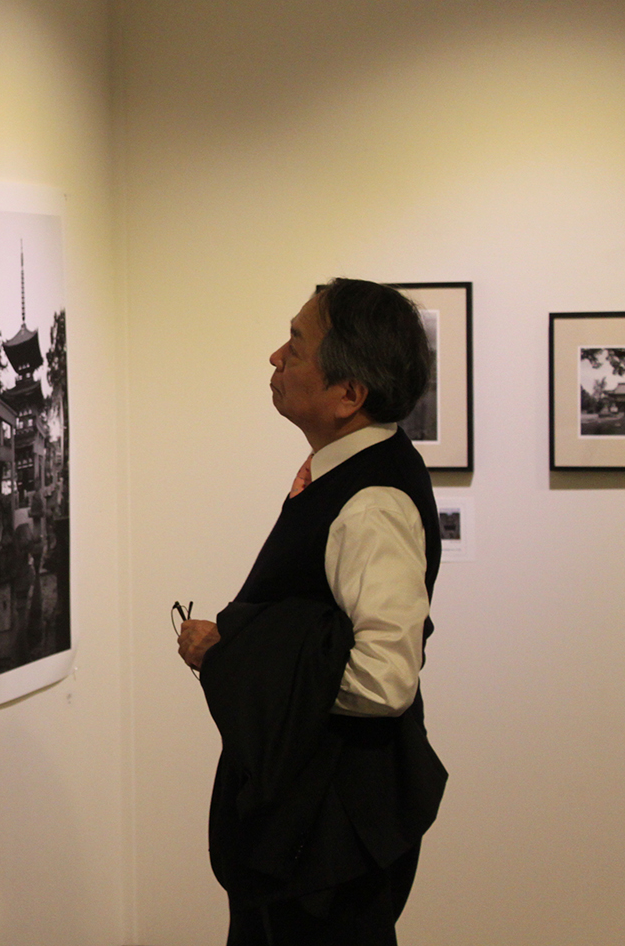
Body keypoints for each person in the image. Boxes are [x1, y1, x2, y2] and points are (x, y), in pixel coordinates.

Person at [178, 278, 447, 945]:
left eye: (296, 346)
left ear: (348, 395)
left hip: (328, 835)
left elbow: (384, 680)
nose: (275, 357)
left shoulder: (372, 503)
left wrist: (229, 654)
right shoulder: (344, 477)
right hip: (311, 824)